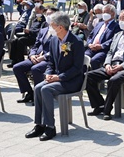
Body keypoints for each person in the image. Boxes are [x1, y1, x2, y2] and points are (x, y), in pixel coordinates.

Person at [25, 12, 85, 141]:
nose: (50, 28)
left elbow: (77, 68)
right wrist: (48, 74)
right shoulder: (53, 40)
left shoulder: (76, 42)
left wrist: (59, 77)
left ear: (60, 27)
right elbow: (51, 62)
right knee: (38, 87)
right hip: (57, 78)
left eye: (52, 26)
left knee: (46, 89)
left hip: (72, 80)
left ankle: (50, 127)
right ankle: (39, 125)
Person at [86, 9, 124, 119]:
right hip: (113, 64)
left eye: (123, 19)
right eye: (119, 18)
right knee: (88, 76)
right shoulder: (118, 34)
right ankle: (99, 104)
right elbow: (110, 52)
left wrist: (122, 66)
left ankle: (107, 109)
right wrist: (107, 64)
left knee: (114, 80)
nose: (120, 21)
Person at [14, 8, 57, 104]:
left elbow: (57, 49)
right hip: (36, 57)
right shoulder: (44, 29)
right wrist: (32, 55)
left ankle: (40, 96)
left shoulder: (59, 30)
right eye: (47, 14)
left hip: (49, 60)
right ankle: (30, 93)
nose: (48, 16)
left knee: (35, 69)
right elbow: (36, 45)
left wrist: (44, 57)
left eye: (51, 14)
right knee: (17, 68)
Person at [85, 5, 120, 70]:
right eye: (103, 12)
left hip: (103, 50)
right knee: (83, 58)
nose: (104, 14)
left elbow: (114, 40)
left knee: (94, 60)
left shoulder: (116, 26)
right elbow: (90, 36)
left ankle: (94, 78)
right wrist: (90, 44)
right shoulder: (99, 24)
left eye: (107, 12)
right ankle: (83, 77)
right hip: (92, 48)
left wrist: (101, 46)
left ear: (113, 13)